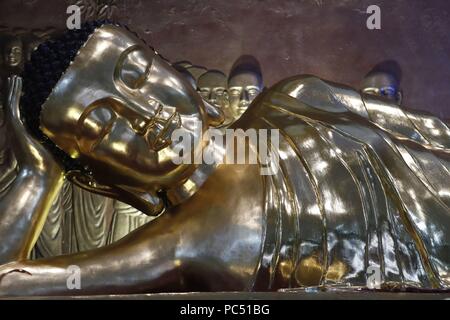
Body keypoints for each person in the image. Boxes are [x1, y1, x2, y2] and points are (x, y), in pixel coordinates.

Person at [0, 21, 449, 296]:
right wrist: (36, 176)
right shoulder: (182, 243)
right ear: (98, 180)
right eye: (99, 126)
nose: (143, 113)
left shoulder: (297, 99)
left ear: (170, 67)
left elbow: (433, 139)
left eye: (136, 73)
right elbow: (8, 281)